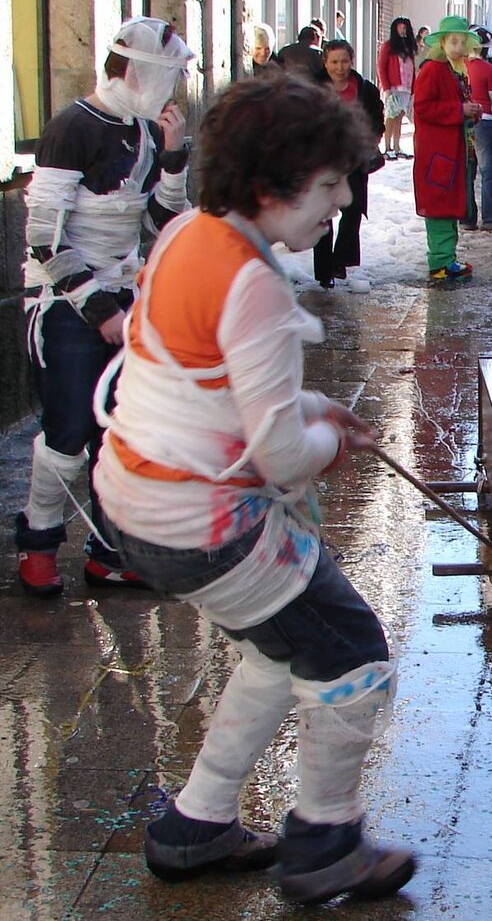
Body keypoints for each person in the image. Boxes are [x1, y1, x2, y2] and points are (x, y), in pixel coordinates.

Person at [92, 73, 416, 903]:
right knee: (349, 648)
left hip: (131, 501)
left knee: (281, 644)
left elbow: (212, 385)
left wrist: (318, 409)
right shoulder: (257, 286)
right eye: (329, 184)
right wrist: (324, 439)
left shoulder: (189, 236)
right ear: (270, 187)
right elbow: (278, 456)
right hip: (205, 522)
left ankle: (193, 825)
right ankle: (324, 845)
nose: (342, 201)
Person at [14, 16, 194, 597]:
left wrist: (172, 158)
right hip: (67, 304)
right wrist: (99, 313)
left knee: (121, 434)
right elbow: (43, 238)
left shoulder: (143, 131)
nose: (174, 89)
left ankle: (109, 551)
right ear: (138, 71)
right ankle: (38, 547)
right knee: (66, 434)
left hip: (124, 297)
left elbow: (161, 223)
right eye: (169, 76)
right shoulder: (70, 127)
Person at [412, 15, 481, 282]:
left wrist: (469, 111)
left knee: (449, 203)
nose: (458, 46)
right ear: (442, 42)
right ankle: (440, 261)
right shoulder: (434, 69)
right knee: (440, 204)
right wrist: (459, 110)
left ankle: (447, 257)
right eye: (454, 41)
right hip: (438, 152)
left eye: (462, 41)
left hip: (451, 149)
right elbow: (423, 107)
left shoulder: (456, 69)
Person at [312, 39, 384, 289]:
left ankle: (340, 261)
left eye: (344, 61)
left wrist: (370, 139)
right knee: (323, 214)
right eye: (334, 62)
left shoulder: (365, 89)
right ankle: (324, 272)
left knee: (352, 210)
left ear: (351, 62)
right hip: (322, 161)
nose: (339, 67)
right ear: (325, 62)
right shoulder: (312, 88)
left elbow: (377, 119)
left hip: (354, 159)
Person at [465, 26, 492, 231]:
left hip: (463, 121)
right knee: (488, 171)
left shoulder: (460, 65)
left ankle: (467, 218)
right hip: (485, 119)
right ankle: (489, 218)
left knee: (468, 170)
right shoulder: (488, 69)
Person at [377, 17, 417, 160]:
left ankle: (397, 146)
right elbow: (381, 67)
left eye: (404, 28)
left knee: (399, 117)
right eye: (400, 28)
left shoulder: (408, 47)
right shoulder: (388, 46)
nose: (402, 31)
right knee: (391, 117)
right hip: (393, 88)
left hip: (405, 88)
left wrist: (413, 88)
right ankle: (387, 147)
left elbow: (412, 69)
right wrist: (386, 87)